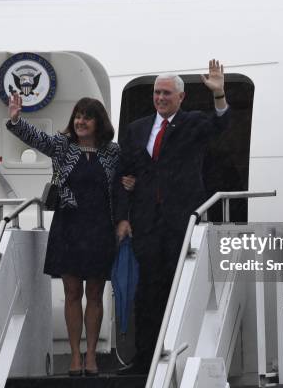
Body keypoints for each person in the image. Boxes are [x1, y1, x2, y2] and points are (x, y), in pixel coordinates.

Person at [115, 59, 230, 374]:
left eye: (167, 93)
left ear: (181, 97)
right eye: (157, 93)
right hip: (148, 223)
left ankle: (177, 356)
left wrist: (219, 95)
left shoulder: (192, 123)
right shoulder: (138, 128)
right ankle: (145, 359)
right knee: (147, 290)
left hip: (181, 220)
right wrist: (124, 216)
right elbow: (124, 173)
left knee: (178, 288)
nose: (161, 98)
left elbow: (221, 124)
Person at [6, 93, 133, 376]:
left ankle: (91, 357)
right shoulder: (63, 146)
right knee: (72, 292)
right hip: (69, 225)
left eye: (86, 117)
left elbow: (121, 189)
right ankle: (76, 356)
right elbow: (38, 139)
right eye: (77, 116)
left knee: (96, 293)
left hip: (100, 227)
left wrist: (124, 215)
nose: (80, 121)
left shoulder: (112, 152)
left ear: (98, 122)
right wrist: (16, 120)